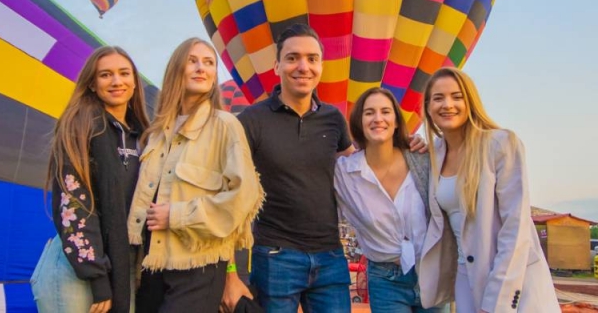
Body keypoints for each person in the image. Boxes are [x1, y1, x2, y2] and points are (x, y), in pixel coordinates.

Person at [222, 24, 426, 313]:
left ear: (321, 66)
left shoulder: (333, 119)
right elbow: (227, 193)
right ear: (277, 65)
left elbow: (361, 167)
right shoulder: (252, 120)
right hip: (275, 258)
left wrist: (408, 147)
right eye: (293, 58)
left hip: (330, 257)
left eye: (312, 59)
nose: (303, 67)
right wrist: (229, 273)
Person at [127, 38, 264, 313]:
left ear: (215, 77)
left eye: (209, 62)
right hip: (150, 265)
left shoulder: (225, 125)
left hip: (198, 267)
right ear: (176, 68)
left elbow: (244, 197)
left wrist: (177, 215)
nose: (201, 68)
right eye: (193, 60)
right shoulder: (154, 135)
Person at [418, 67, 559, 312]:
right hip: (465, 276)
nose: (447, 104)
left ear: (470, 102)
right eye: (438, 98)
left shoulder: (500, 144)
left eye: (457, 96)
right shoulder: (434, 155)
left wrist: (498, 300)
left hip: (510, 279)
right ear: (428, 108)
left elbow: (516, 228)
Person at [31, 46, 150, 313]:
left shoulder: (144, 138)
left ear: (134, 82)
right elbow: (73, 203)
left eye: (124, 73)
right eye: (105, 75)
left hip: (123, 267)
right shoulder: (80, 125)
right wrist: (97, 277)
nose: (116, 81)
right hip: (79, 268)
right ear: (92, 84)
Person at [334, 88, 448, 313]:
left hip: (431, 274)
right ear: (358, 122)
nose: (378, 119)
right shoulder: (345, 173)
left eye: (385, 112)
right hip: (385, 280)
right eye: (369, 113)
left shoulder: (422, 159)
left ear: (396, 121)